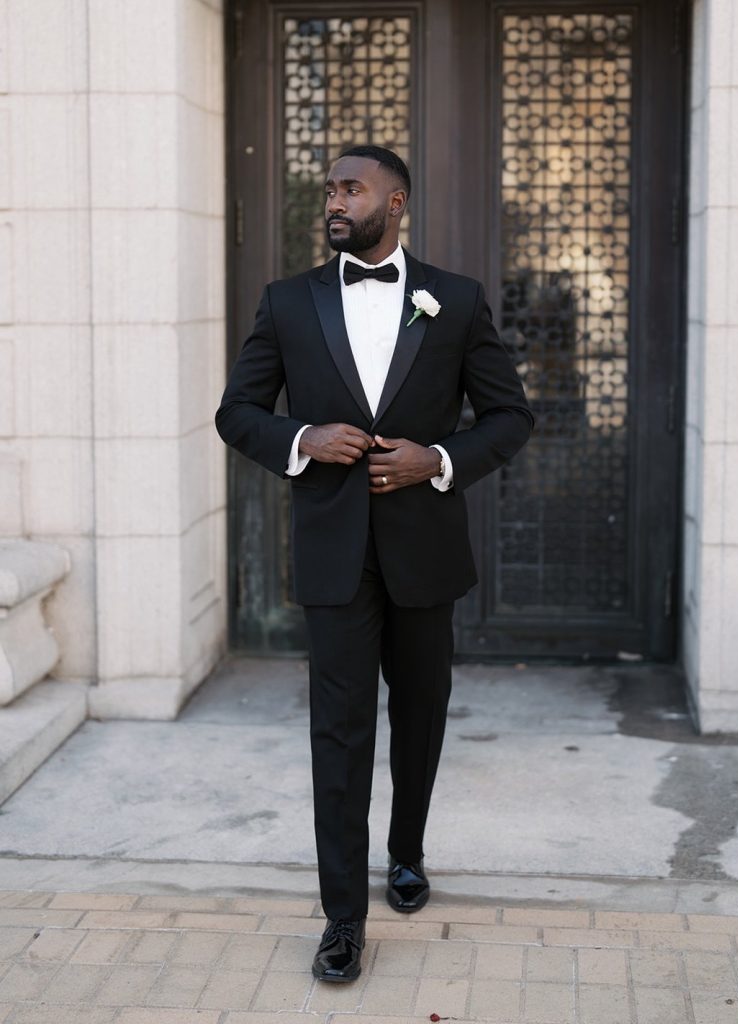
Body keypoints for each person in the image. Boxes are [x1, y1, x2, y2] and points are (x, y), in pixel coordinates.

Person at [215, 144, 533, 982]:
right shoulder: (288, 303)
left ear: (395, 203)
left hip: (426, 553)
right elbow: (236, 411)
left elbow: (510, 417)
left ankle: (407, 852)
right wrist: (300, 438)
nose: (335, 200)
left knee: (421, 716)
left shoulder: (454, 301)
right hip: (333, 555)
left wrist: (439, 459)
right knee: (340, 730)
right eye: (329, 189)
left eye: (350, 189)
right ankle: (342, 920)